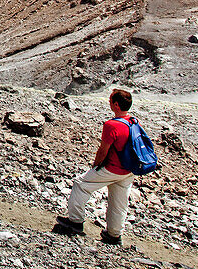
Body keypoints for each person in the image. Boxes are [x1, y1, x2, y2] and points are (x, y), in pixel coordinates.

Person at [54, 88, 137, 244]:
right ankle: (114, 234)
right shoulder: (133, 121)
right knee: (119, 202)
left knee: (81, 184)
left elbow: (102, 151)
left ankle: (75, 222)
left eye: (111, 101)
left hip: (113, 168)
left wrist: (95, 167)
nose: (109, 103)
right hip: (129, 170)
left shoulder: (111, 125)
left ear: (116, 105)